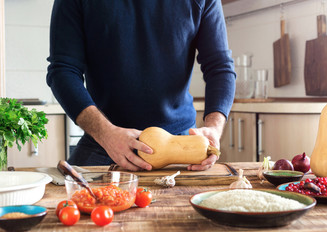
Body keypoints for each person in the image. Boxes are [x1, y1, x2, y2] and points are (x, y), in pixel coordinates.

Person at [46, 0, 236, 171]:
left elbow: (219, 67)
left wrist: (214, 128)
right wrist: (106, 134)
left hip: (181, 146)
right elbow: (63, 71)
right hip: (104, 143)